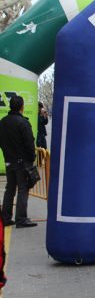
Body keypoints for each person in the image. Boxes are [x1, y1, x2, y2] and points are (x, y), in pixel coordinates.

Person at [0, 96, 37, 228]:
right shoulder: (23, 123)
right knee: (23, 189)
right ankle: (21, 219)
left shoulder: (2, 122)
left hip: (9, 161)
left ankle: (5, 218)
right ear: (22, 106)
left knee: (9, 189)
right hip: (22, 162)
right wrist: (32, 158)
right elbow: (29, 143)